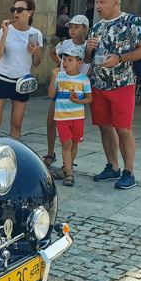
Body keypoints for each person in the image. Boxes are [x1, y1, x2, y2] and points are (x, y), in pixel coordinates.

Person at [84, 0, 141, 190]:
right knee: (105, 127)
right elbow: (88, 60)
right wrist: (88, 49)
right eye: (97, 2)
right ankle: (112, 166)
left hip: (122, 84)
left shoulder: (133, 22)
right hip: (98, 84)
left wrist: (120, 58)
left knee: (123, 129)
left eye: (102, 2)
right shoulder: (96, 27)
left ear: (116, 2)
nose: (97, 6)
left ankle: (129, 172)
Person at [0, 0, 43, 139]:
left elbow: (36, 63)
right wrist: (5, 34)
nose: (15, 13)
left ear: (30, 12)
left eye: (20, 10)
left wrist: (37, 53)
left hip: (22, 82)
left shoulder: (36, 34)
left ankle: (12, 154)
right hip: (2, 79)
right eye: (13, 10)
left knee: (17, 124)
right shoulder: (4, 31)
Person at [43, 14, 90, 167]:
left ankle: (68, 163)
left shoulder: (89, 45)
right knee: (51, 120)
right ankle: (51, 153)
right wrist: (61, 67)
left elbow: (91, 63)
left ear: (85, 29)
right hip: (62, 86)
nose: (72, 30)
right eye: (70, 27)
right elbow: (52, 53)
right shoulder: (65, 43)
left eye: (77, 27)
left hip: (77, 88)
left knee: (73, 128)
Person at [47, 44, 92, 187]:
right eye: (64, 59)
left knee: (74, 143)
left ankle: (66, 169)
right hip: (62, 117)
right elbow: (51, 94)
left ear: (79, 64)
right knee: (66, 143)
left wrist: (78, 100)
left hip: (78, 117)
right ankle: (70, 173)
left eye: (70, 60)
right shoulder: (59, 77)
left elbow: (89, 98)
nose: (65, 62)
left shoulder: (84, 80)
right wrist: (53, 78)